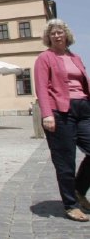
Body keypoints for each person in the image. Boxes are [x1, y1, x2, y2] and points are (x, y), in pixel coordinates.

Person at [34, 18, 90, 222]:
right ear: (48, 37)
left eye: (60, 31)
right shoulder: (45, 58)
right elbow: (41, 88)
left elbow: (84, 84)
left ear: (67, 35)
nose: (57, 35)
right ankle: (71, 204)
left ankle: (78, 189)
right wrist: (47, 114)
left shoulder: (75, 57)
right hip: (60, 112)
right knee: (65, 161)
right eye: (53, 33)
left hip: (83, 109)